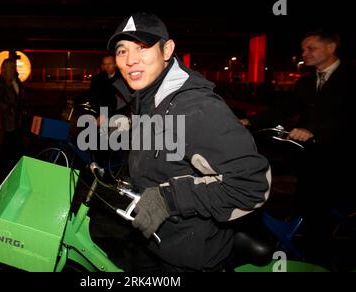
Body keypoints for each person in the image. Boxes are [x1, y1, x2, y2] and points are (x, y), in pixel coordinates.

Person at [107, 12, 271, 272]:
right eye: (122, 51)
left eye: (143, 47)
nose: (130, 60)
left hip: (189, 258)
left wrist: (168, 198)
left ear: (167, 50)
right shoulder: (148, 97)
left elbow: (251, 184)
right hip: (153, 242)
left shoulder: (196, 107)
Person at [241, 30, 356, 269]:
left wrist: (315, 130)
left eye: (310, 48)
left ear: (331, 47)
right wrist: (250, 122)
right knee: (305, 205)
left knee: (321, 214)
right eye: (303, 49)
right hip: (311, 158)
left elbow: (348, 116)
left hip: (341, 158)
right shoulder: (306, 82)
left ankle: (324, 260)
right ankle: (306, 252)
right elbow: (284, 109)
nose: (304, 54)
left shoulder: (351, 77)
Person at [0, 58, 26, 167]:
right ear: (7, 68)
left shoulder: (16, 80)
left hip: (17, 116)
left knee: (16, 141)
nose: (14, 69)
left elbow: (21, 97)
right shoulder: (1, 82)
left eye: (14, 66)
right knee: (9, 140)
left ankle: (13, 163)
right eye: (12, 67)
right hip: (9, 116)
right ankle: (5, 163)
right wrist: (8, 109)